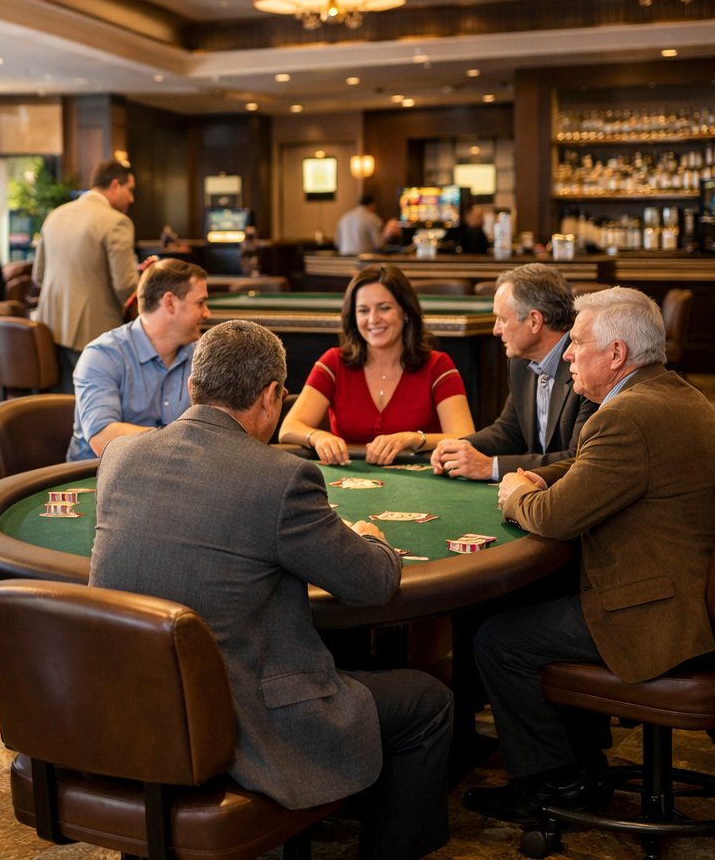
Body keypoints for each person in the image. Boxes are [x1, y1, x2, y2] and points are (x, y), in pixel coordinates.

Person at [91, 320, 452, 860]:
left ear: (193, 386)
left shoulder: (121, 457)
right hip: (238, 721)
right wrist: (373, 539)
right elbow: (372, 583)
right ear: (270, 397)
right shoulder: (281, 478)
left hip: (132, 711)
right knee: (430, 702)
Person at [463, 286, 715, 823]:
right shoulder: (670, 393)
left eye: (577, 343)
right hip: (700, 603)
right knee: (534, 601)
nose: (566, 355)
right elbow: (593, 466)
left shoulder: (625, 417)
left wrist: (520, 496)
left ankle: (551, 783)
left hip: (667, 618)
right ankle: (583, 760)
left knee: (499, 639)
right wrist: (536, 475)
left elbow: (557, 516)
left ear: (615, 355)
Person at [279, 263, 475, 465]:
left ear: (406, 312)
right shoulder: (334, 362)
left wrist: (413, 438)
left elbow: (465, 437)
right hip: (349, 482)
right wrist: (318, 437)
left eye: (384, 308)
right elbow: (289, 428)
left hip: (418, 483)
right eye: (363, 310)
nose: (373, 319)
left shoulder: (437, 366)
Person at [432, 263, 594, 480]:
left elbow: (579, 458)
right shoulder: (519, 363)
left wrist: (491, 467)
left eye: (502, 319)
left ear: (534, 321)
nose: (496, 330)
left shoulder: (585, 365)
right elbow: (510, 430)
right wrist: (461, 446)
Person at [66, 258, 208, 462]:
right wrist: (182, 441)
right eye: (200, 303)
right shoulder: (102, 355)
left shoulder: (200, 355)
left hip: (169, 470)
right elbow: (103, 439)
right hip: (95, 476)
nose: (207, 313)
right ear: (170, 303)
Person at [32, 158, 139, 392]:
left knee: (56, 405)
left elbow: (38, 275)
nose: (131, 198)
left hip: (48, 326)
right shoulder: (117, 222)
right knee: (90, 409)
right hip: (93, 330)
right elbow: (125, 285)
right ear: (115, 185)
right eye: (130, 190)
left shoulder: (55, 215)